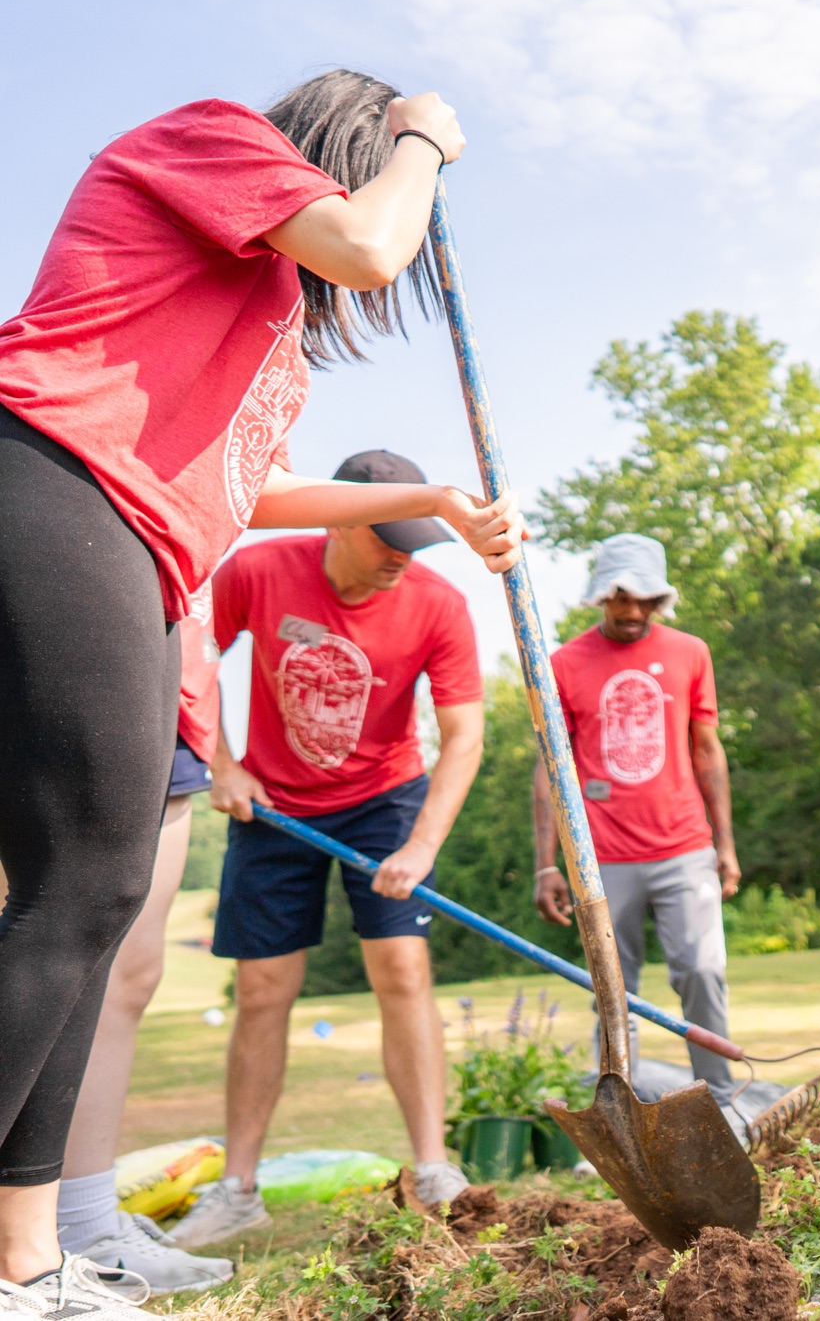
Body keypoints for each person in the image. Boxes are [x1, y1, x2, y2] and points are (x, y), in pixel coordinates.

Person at [0, 69, 522, 1314]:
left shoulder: (259, 291)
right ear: (344, 145)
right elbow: (371, 242)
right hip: (55, 485)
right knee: (87, 884)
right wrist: (425, 143)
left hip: (123, 525)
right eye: (374, 152)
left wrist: (428, 499)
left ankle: (26, 1261)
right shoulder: (214, 140)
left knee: (93, 889)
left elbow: (261, 487)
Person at [163, 451, 487, 1248]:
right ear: (341, 517)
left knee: (403, 970)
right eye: (389, 539)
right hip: (273, 804)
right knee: (265, 989)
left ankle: (434, 1166)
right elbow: (193, 651)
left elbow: (466, 734)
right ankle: (238, 1187)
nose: (401, 559)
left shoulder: (437, 605)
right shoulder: (261, 568)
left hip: (386, 800)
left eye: (417, 542)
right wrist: (224, 761)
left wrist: (421, 844)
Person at [47, 590, 234, 1294]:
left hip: (175, 693)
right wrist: (436, 501)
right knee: (49, 955)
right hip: (90, 662)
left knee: (130, 975)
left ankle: (84, 1217)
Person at [534, 534, 741, 1090]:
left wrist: (725, 845)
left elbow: (706, 750)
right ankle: (622, 1109)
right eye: (620, 598)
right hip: (602, 858)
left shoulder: (690, 652)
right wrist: (545, 862)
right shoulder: (563, 663)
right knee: (613, 990)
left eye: (643, 599)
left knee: (701, 971)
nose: (631, 612)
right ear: (601, 595)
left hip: (684, 848)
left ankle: (722, 1100)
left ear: (659, 600)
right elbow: (550, 768)